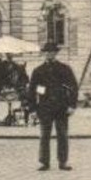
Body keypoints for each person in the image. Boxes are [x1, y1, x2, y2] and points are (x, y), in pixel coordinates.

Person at [28, 42, 78, 171]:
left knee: (62, 135)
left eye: (52, 52)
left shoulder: (64, 69)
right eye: (47, 52)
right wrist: (32, 109)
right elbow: (32, 91)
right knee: (44, 135)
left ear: (56, 53)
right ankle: (44, 162)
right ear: (44, 54)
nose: (49, 54)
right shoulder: (38, 70)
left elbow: (73, 87)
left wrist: (72, 105)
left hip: (62, 107)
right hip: (44, 107)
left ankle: (63, 162)